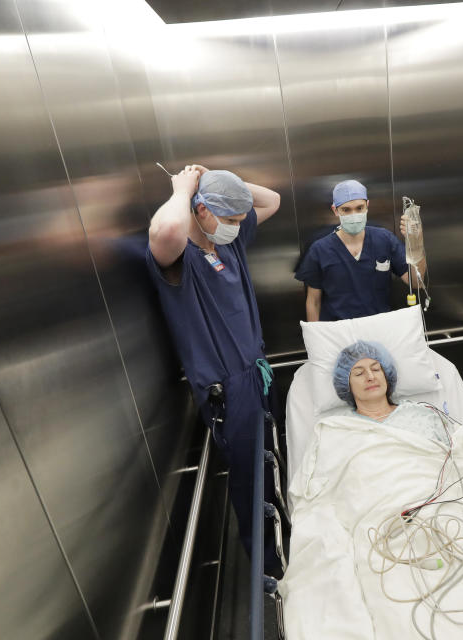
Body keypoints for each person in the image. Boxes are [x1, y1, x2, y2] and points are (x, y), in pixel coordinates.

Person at [147, 163, 282, 564]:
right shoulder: (177, 257)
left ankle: (284, 530)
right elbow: (166, 231)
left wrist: (221, 178)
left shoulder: (227, 243)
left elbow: (271, 200)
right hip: (227, 388)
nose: (238, 226)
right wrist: (183, 189)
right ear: (201, 210)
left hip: (257, 373)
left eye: (240, 220)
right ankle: (266, 562)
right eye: (230, 218)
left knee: (269, 460)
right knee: (249, 480)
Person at [295, 180, 426, 321]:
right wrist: (316, 339)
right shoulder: (319, 250)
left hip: (379, 329)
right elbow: (313, 302)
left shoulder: (384, 239)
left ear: (367, 206)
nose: (354, 215)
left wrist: (416, 243)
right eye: (346, 210)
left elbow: (416, 282)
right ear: (335, 210)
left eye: (359, 208)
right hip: (338, 334)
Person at [331, 340, 450, 445]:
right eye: (359, 373)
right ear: (346, 385)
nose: (371, 377)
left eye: (376, 369)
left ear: (387, 376)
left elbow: (457, 457)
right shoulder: (339, 428)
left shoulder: (423, 414)